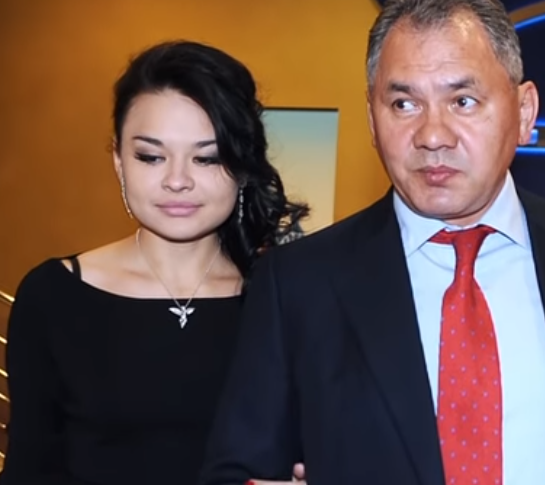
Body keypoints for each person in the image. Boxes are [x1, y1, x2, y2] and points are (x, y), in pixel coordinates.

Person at [199, 0, 545, 484]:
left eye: (463, 101)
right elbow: (234, 471)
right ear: (371, 118)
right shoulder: (298, 284)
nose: (432, 136)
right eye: (404, 104)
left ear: (525, 111)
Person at [0, 41, 309, 485]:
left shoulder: (289, 298)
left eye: (207, 157)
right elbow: (28, 470)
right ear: (118, 161)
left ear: (242, 168)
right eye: (151, 156)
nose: (177, 180)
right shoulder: (53, 297)